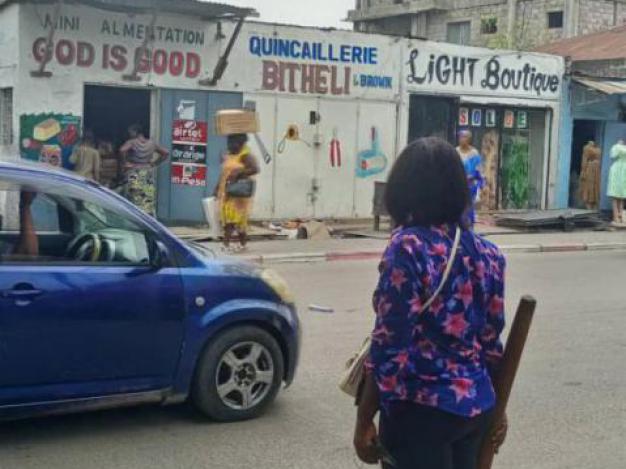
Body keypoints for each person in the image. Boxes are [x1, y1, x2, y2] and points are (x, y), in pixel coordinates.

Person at [354, 138, 508, 469]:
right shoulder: (488, 254)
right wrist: (498, 406)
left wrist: (364, 419)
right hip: (476, 407)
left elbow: (389, 345)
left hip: (420, 411)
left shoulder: (408, 248)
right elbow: (491, 342)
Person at [215, 134, 259, 252]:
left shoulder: (246, 155)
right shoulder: (229, 155)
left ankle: (225, 244)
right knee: (236, 221)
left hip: (239, 194)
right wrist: (217, 188)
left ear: (240, 143)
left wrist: (239, 173)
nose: (229, 145)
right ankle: (243, 244)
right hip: (227, 192)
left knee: (231, 220)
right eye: (229, 142)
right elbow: (224, 173)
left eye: (232, 142)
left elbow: (255, 169)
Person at [120, 124, 169, 216]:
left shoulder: (132, 142)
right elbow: (166, 153)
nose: (129, 134)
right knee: (147, 197)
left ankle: (134, 217)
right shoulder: (152, 143)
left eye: (130, 132)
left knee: (134, 196)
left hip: (135, 171)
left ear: (135, 132)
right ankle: (147, 218)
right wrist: (154, 163)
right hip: (147, 172)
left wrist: (125, 163)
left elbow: (122, 150)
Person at [456, 130, 484, 227]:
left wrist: (472, 176)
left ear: (469, 139)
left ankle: (469, 227)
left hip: (470, 185)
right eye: (460, 137)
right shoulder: (456, 152)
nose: (462, 139)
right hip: (458, 184)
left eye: (464, 137)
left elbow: (479, 169)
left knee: (469, 207)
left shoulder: (474, 153)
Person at [607, 140, 626, 224]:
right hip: (621, 169)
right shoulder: (620, 147)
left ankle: (618, 217)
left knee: (618, 196)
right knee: (618, 195)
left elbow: (613, 156)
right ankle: (618, 217)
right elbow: (613, 156)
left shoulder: (617, 147)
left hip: (620, 169)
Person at [579, 141, 601, 210]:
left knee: (589, 186)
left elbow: (584, 160)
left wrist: (583, 171)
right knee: (593, 186)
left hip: (590, 168)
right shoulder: (598, 150)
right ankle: (592, 207)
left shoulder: (587, 148)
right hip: (596, 169)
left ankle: (590, 207)